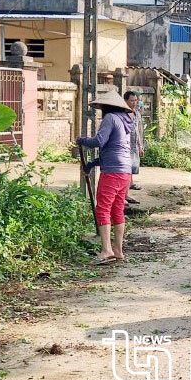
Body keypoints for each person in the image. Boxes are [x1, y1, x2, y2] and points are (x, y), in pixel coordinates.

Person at [76, 90, 134, 265]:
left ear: (106, 107)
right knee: (117, 209)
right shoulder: (125, 121)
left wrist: (82, 140)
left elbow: (100, 141)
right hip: (125, 171)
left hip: (112, 172)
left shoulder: (110, 119)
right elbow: (112, 149)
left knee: (102, 208)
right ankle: (118, 249)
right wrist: (92, 165)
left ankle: (106, 249)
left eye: (101, 107)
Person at [124, 91, 144, 205]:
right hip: (125, 146)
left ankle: (126, 193)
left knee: (131, 169)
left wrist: (140, 146)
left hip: (134, 146)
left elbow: (138, 130)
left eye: (135, 100)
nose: (134, 103)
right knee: (126, 171)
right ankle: (125, 195)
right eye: (131, 100)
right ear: (126, 101)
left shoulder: (136, 113)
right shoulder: (123, 113)